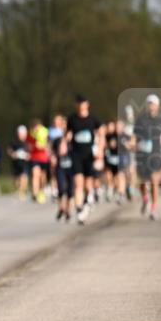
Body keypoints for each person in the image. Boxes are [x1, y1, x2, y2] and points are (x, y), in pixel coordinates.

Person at [67, 95, 103, 225]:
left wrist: (100, 150)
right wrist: (64, 142)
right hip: (76, 154)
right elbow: (68, 133)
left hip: (89, 155)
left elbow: (101, 133)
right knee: (78, 184)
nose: (81, 105)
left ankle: (89, 199)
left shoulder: (93, 119)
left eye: (83, 103)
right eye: (78, 103)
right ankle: (79, 209)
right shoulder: (72, 119)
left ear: (87, 104)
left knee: (88, 185)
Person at [134, 94, 161, 220]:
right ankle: (145, 199)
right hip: (143, 155)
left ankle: (153, 209)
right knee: (143, 182)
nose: (151, 106)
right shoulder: (141, 120)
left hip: (155, 155)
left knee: (154, 181)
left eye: (153, 103)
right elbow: (135, 136)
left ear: (158, 106)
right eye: (149, 103)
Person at [51, 124, 75, 222]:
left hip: (72, 168)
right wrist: (53, 157)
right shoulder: (57, 140)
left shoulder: (74, 141)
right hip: (60, 167)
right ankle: (61, 207)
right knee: (61, 189)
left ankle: (69, 211)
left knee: (70, 191)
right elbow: (52, 151)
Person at [27, 119, 50, 204]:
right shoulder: (30, 133)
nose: (36, 129)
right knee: (35, 174)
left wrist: (43, 146)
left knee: (42, 177)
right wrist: (31, 147)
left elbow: (49, 144)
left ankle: (41, 190)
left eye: (38, 127)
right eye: (35, 128)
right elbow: (28, 144)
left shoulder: (46, 132)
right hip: (34, 157)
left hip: (44, 157)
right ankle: (35, 193)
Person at [8, 125, 30, 199]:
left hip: (24, 163)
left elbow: (31, 152)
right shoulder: (14, 141)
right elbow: (9, 150)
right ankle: (19, 188)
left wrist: (28, 156)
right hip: (16, 163)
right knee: (16, 179)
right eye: (20, 133)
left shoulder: (27, 143)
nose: (22, 135)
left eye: (23, 133)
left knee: (24, 176)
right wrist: (13, 154)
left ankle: (22, 192)